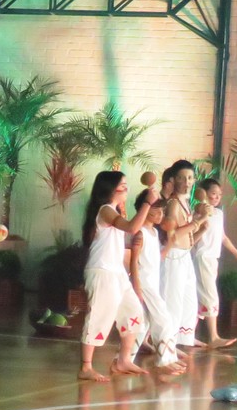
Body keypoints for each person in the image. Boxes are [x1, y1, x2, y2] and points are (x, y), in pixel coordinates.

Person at [79, 171, 153, 382]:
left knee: (134, 312)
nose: (126, 188)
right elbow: (132, 227)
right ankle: (86, 367)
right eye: (123, 185)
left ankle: (123, 360)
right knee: (99, 317)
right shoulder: (105, 210)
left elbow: (127, 234)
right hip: (102, 271)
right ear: (110, 189)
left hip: (117, 273)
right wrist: (147, 203)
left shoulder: (114, 211)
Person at [128, 191, 186, 376]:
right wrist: (137, 286)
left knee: (144, 323)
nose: (161, 214)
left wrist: (170, 244)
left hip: (151, 283)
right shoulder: (141, 234)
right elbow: (134, 262)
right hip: (144, 283)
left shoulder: (153, 232)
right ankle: (164, 360)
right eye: (157, 210)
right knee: (164, 319)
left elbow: (156, 258)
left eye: (162, 210)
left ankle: (124, 359)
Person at [192, 178, 237, 348]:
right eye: (213, 193)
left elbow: (223, 238)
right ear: (204, 194)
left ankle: (188, 334)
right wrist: (202, 214)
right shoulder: (197, 214)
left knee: (201, 296)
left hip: (212, 259)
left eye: (219, 194)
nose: (217, 197)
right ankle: (213, 336)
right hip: (202, 257)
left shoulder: (218, 214)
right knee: (210, 296)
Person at [160, 161, 205, 349]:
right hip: (174, 256)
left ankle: (180, 341)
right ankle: (166, 344)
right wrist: (198, 222)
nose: (186, 182)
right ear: (173, 180)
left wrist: (202, 226)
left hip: (185, 256)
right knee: (173, 301)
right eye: (181, 178)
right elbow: (172, 234)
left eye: (190, 178)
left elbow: (188, 236)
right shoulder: (173, 203)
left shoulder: (184, 203)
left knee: (189, 301)